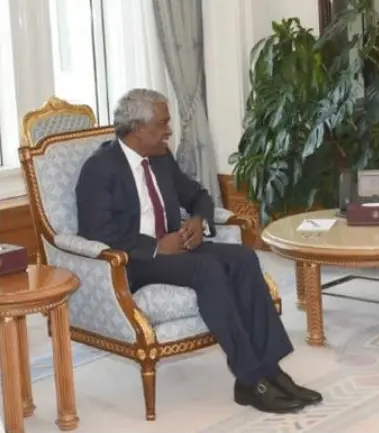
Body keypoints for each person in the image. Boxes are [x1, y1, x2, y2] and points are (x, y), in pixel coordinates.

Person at [75, 88, 323, 414]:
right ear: (137, 128)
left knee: (244, 257)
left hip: (177, 248)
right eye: (162, 123)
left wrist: (197, 219)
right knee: (208, 269)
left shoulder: (161, 157)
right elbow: (96, 233)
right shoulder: (100, 169)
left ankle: (272, 370)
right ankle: (251, 380)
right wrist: (156, 247)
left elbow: (197, 194)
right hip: (134, 262)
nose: (169, 130)